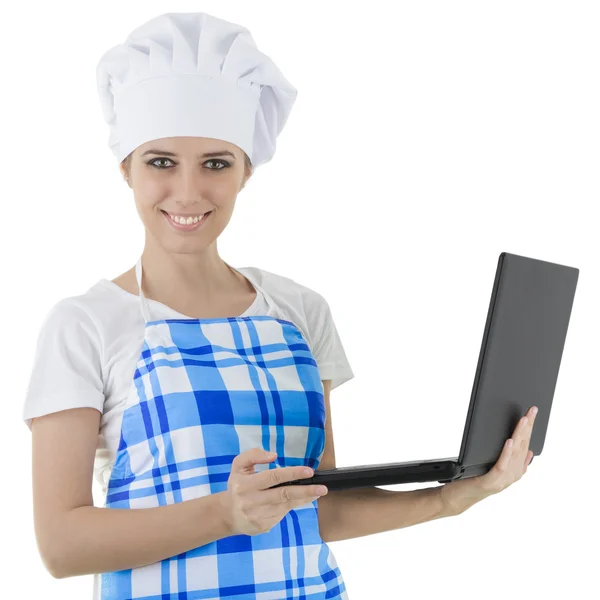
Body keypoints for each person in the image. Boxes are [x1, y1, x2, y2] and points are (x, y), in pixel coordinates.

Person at [22, 12, 355, 600]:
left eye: (217, 164)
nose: (188, 191)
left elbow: (325, 509)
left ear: (246, 171)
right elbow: (61, 546)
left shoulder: (300, 310)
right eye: (161, 162)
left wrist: (461, 493)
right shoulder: (85, 325)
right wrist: (226, 514)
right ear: (126, 168)